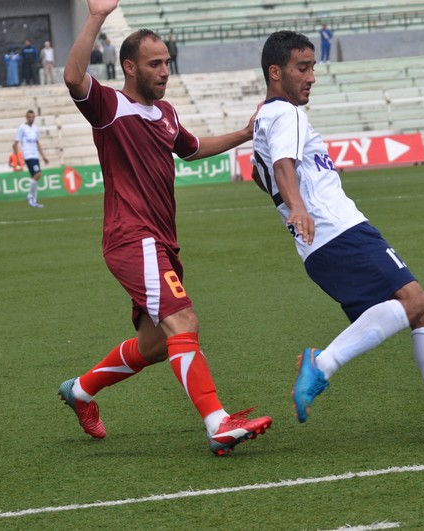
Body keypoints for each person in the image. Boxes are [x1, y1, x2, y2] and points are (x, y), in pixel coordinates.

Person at [251, 31, 424, 441]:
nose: (312, 76)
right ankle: (322, 364)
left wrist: (294, 208)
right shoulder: (286, 114)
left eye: (313, 67)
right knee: (415, 302)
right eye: (303, 68)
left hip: (321, 242)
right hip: (338, 230)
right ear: (275, 72)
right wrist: (298, 207)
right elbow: (283, 165)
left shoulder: (266, 119)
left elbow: (263, 173)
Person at [59, 0, 272, 456]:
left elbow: (191, 148)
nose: (165, 71)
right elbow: (74, 77)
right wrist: (96, 16)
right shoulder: (109, 106)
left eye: (167, 63)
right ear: (130, 67)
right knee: (184, 321)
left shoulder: (168, 113)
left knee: (156, 344)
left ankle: (80, 390)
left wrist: (244, 133)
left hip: (160, 242)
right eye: (155, 64)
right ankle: (218, 422)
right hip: (132, 237)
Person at [13, 109, 48, 207]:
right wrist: (18, 159)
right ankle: (30, 196)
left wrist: (43, 156)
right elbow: (15, 144)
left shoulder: (35, 128)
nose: (31, 119)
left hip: (35, 155)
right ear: (26, 117)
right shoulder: (22, 128)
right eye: (29, 117)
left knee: (35, 178)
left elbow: (37, 143)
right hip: (28, 155)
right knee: (38, 174)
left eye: (33, 117)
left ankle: (34, 201)